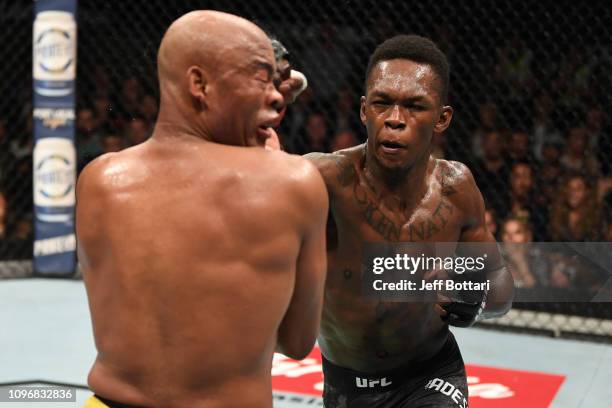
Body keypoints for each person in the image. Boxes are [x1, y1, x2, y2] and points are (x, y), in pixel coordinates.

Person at [77, 11, 328, 408]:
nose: (278, 96)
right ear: (199, 84)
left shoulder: (100, 180)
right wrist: (266, 157)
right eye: (260, 78)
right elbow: (297, 342)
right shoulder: (292, 183)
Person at [305, 35, 514, 407]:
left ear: (442, 118)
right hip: (345, 386)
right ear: (363, 110)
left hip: (431, 375)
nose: (395, 120)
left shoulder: (456, 188)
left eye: (415, 106)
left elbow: (499, 280)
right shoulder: (322, 180)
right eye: (382, 103)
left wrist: (477, 297)